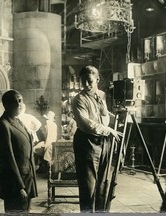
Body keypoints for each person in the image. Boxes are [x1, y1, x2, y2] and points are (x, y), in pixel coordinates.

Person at [71, 65, 121, 213]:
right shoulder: (78, 99)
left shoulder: (102, 95)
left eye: (89, 81)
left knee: (103, 182)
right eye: (83, 81)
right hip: (87, 142)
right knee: (89, 185)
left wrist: (116, 116)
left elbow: (102, 116)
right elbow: (87, 124)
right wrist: (109, 130)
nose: (86, 85)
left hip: (103, 141)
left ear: (97, 79)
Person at [0, 90, 38, 213]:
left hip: (27, 177)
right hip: (15, 182)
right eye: (15, 101)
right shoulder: (3, 125)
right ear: (6, 105)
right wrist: (20, 186)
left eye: (20, 100)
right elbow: (7, 158)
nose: (19, 104)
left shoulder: (17, 120)